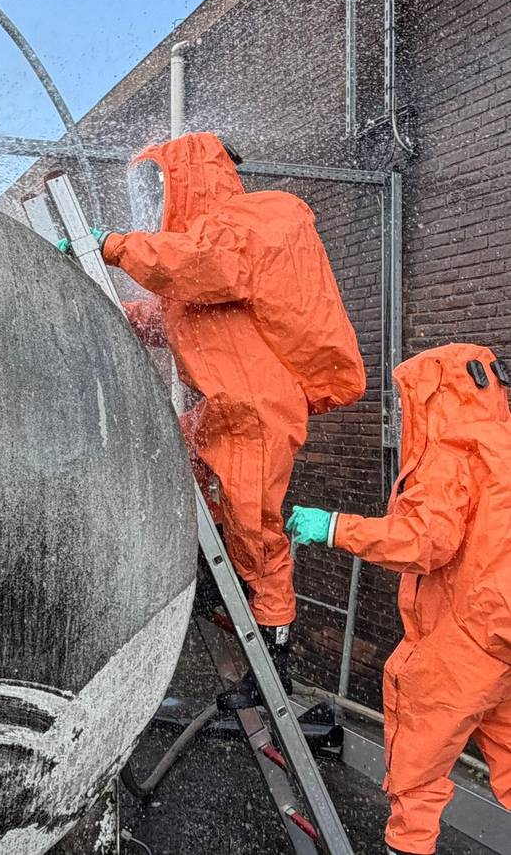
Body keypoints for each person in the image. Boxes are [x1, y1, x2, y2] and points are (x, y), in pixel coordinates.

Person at [83, 131, 366, 709]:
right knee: (173, 459)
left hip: (257, 408)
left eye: (160, 184)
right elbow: (174, 314)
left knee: (254, 523)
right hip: (226, 407)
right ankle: (213, 577)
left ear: (186, 178)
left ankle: (273, 654)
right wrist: (104, 310)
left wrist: (114, 246)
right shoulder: (208, 243)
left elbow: (203, 266)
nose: (154, 199)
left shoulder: (252, 221)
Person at [287, 343, 511, 855]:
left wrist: (335, 527)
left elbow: (424, 541)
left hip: (465, 636)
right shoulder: (503, 445)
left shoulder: (453, 455)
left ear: (431, 396)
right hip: (503, 637)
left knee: (416, 775)